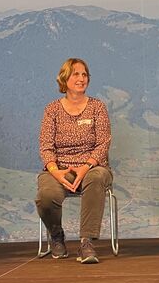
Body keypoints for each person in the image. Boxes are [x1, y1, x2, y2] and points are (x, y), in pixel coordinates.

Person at [36, 58, 112, 264]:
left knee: (96, 179)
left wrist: (86, 166)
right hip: (59, 168)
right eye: (76, 74)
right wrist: (55, 171)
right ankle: (56, 235)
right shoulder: (52, 109)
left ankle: (86, 242)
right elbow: (45, 146)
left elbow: (103, 143)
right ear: (64, 79)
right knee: (46, 195)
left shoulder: (97, 107)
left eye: (84, 74)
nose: (81, 78)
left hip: (92, 166)